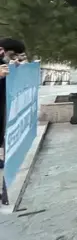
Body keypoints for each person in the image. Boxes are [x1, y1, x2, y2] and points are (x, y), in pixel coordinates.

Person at [0, 38, 27, 170]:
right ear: (2, 51)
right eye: (12, 55)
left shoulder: (4, 65)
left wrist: (14, 70)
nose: (15, 58)